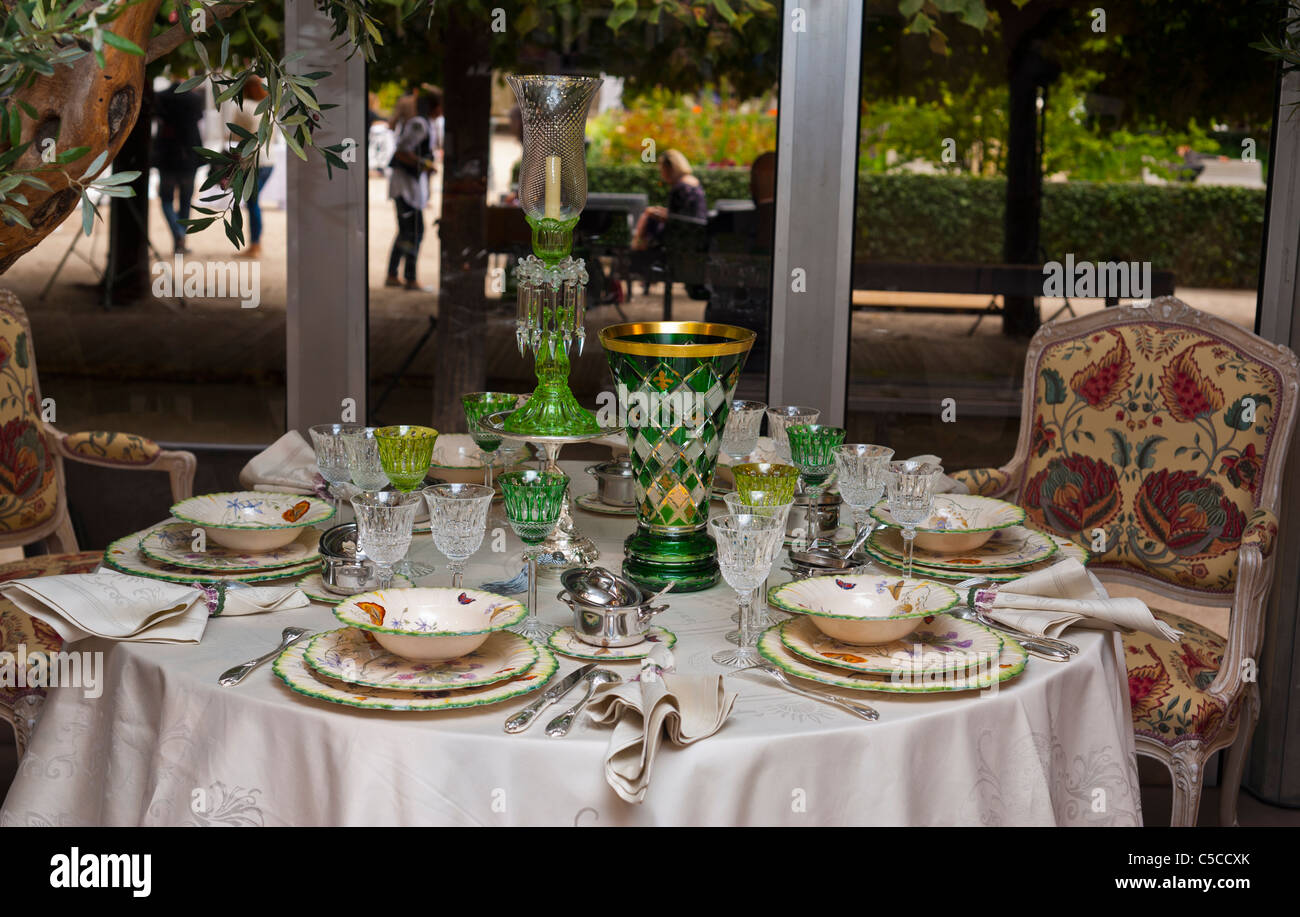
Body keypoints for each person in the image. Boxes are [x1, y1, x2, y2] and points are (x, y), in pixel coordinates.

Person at [385, 87, 442, 291]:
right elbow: (401, 151)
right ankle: (408, 277)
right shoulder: (419, 124)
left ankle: (394, 274)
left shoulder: (428, 124)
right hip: (404, 185)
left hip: (412, 185)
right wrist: (425, 164)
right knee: (413, 231)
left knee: (408, 231)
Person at [153, 76, 205, 254]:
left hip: (167, 156)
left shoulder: (161, 97)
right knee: (185, 200)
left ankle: (178, 235)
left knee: (166, 199)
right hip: (189, 157)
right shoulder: (195, 99)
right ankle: (180, 234)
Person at [224, 76, 274, 259]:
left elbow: (233, 137)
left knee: (253, 203)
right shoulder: (269, 110)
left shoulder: (244, 109)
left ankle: (255, 244)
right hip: (268, 162)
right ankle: (256, 242)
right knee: (254, 202)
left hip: (251, 163)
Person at [631, 149, 708, 250]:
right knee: (649, 214)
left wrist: (655, 214)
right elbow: (683, 213)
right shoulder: (693, 183)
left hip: (682, 234)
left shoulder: (680, 187)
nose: (661, 174)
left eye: (662, 169)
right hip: (696, 231)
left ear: (670, 168)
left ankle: (637, 250)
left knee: (648, 217)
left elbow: (676, 219)